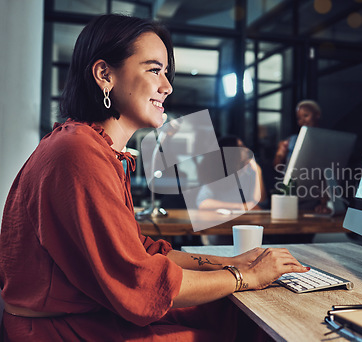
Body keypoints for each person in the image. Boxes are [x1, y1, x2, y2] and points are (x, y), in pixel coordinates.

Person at [0, 14, 307, 341]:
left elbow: (141, 251)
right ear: (105, 74)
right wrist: (244, 275)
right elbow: (139, 281)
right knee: (240, 322)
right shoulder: (78, 152)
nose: (167, 86)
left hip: (87, 315)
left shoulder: (91, 146)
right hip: (60, 330)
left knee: (229, 310)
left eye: (166, 72)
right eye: (154, 70)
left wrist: (230, 263)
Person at [197, 135, 267, 211]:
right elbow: (202, 203)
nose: (247, 150)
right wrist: (239, 206)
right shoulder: (218, 175)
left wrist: (258, 171)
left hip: (245, 219)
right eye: (241, 147)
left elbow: (259, 202)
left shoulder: (250, 172)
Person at [273, 100, 321, 168]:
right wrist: (279, 155)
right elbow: (278, 167)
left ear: (317, 115)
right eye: (299, 118)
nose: (302, 120)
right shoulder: (292, 140)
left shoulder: (326, 140)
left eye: (306, 115)